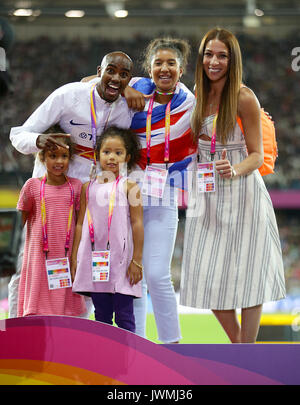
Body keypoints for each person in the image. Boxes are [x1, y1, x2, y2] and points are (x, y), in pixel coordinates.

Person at [81, 38, 197, 343]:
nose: (164, 68)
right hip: (127, 193)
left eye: (171, 63)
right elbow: (87, 82)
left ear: (181, 69)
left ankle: (173, 346)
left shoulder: (189, 102)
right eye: (158, 62)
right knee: (134, 276)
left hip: (164, 194)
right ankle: (140, 348)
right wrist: (128, 88)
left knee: (158, 274)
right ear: (150, 67)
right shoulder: (136, 87)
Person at [8, 51, 136, 318]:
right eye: (110, 71)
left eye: (124, 75)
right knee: (29, 261)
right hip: (51, 191)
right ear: (98, 71)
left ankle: (76, 331)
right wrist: (41, 141)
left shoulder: (128, 105)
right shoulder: (68, 95)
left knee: (86, 264)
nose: (116, 79)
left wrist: (132, 87)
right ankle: (14, 329)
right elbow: (19, 135)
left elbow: (152, 84)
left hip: (92, 196)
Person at [180, 27, 286, 343]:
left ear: (232, 59)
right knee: (205, 273)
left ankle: (245, 350)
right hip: (207, 193)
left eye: (222, 56)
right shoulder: (197, 93)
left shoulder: (243, 96)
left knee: (251, 272)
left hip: (243, 191)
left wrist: (234, 169)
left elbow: (257, 155)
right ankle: (239, 343)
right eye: (209, 54)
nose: (214, 61)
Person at [71, 126, 144, 332]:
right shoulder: (88, 187)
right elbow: (79, 223)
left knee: (124, 316)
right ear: (97, 155)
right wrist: (75, 256)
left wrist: (136, 260)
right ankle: (104, 362)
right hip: (95, 262)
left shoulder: (131, 187)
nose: (112, 157)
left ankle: (129, 360)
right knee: (101, 316)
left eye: (118, 153)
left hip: (122, 262)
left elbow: (137, 224)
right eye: (106, 152)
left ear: (127, 157)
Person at [16, 133, 86, 316]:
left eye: (64, 156)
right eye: (53, 156)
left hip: (64, 258)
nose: (59, 161)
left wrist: (75, 257)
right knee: (36, 312)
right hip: (38, 257)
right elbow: (18, 225)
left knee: (64, 313)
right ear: (42, 157)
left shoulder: (77, 187)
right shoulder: (32, 186)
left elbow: (80, 223)